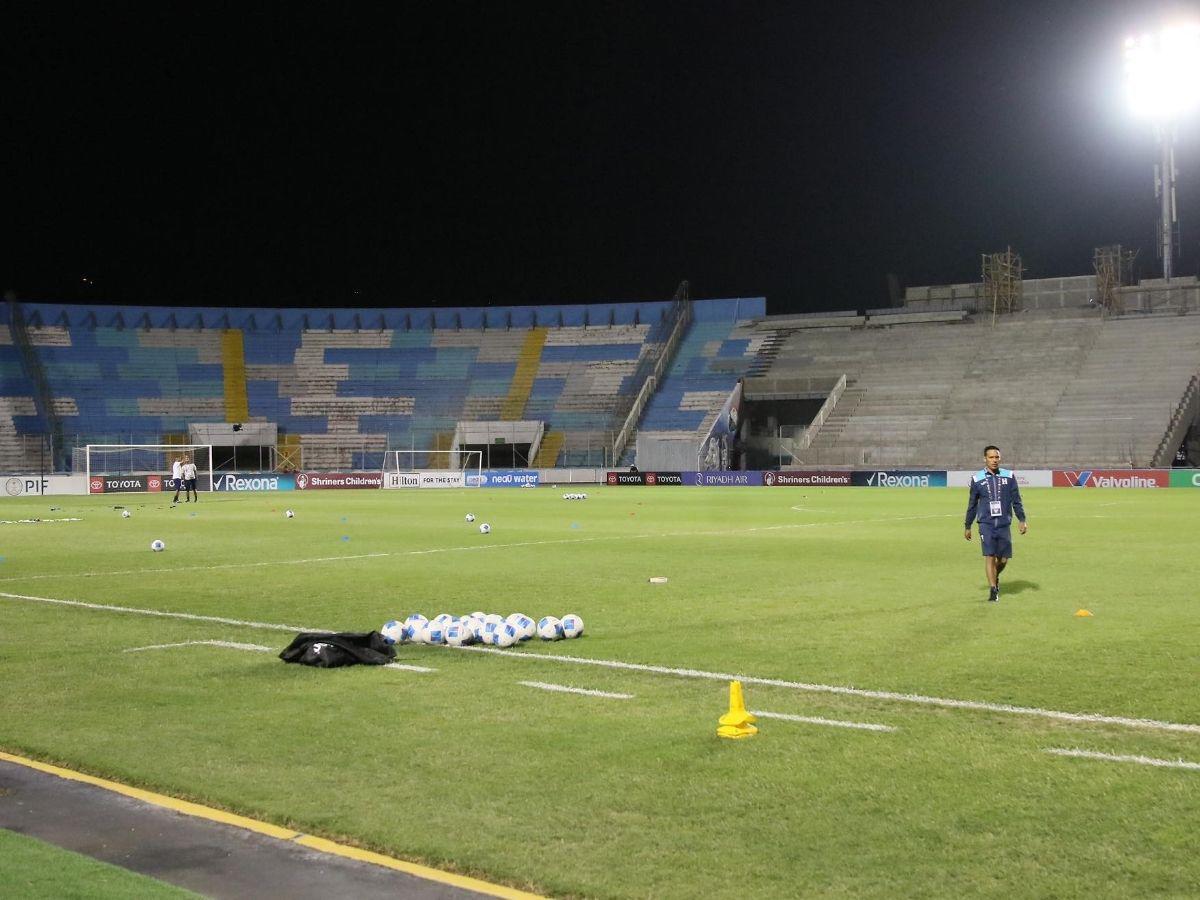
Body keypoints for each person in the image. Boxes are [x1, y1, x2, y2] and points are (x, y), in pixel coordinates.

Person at [963, 445, 1027, 602]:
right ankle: (993, 590)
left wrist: (1022, 519)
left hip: (1004, 523)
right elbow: (972, 504)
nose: (994, 460)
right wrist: (968, 525)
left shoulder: (1009, 476)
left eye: (997, 457)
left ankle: (995, 576)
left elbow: (1016, 500)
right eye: (991, 457)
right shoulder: (977, 479)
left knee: (1003, 560)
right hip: (986, 523)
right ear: (985, 459)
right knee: (990, 556)